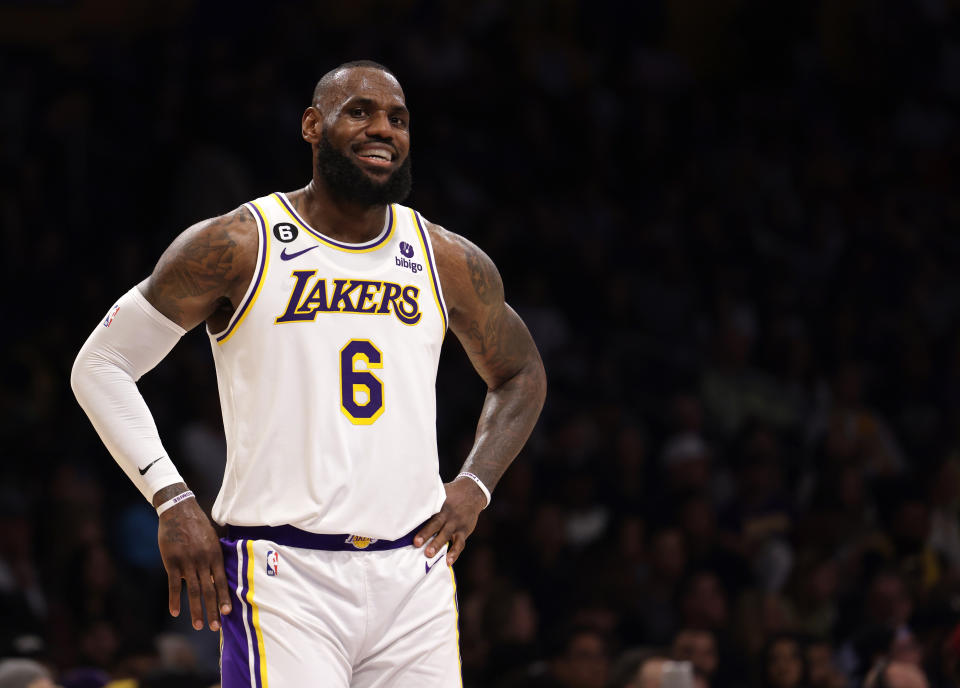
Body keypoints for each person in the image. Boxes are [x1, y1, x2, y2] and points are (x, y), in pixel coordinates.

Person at [71, 59, 547, 686]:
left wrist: (477, 485)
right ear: (311, 126)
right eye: (361, 112)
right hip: (283, 575)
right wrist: (172, 497)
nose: (383, 129)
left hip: (414, 576)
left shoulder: (447, 258)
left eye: (398, 119)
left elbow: (522, 372)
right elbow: (100, 364)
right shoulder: (239, 244)